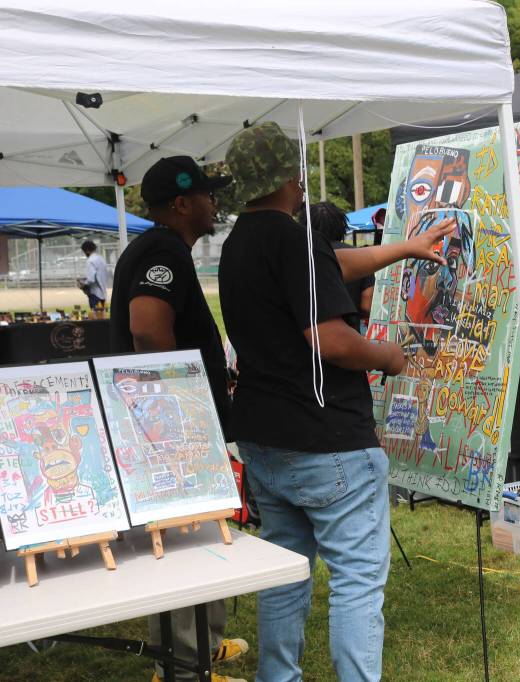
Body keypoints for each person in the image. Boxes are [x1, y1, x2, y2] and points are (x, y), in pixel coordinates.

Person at [219, 122, 452, 682]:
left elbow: (330, 268)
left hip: (266, 440)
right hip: (327, 441)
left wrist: (404, 248)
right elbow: (330, 340)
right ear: (291, 177)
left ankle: (277, 677)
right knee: (355, 581)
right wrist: (388, 356)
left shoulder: (242, 242)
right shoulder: (290, 238)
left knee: (286, 571)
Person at [108, 156, 248, 682]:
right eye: (209, 195)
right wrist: (178, 407)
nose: (216, 203)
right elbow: (147, 328)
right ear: (183, 204)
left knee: (201, 532)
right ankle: (185, 665)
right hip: (169, 428)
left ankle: (200, 647)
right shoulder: (162, 249)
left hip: (172, 423)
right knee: (187, 537)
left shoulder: (163, 249)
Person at [309, 201, 373, 323]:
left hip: (311, 336)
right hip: (351, 334)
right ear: (342, 224)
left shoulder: (302, 257)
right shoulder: (361, 256)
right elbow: (367, 306)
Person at [78, 239, 109, 318]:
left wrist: (82, 283)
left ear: (86, 250)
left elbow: (91, 279)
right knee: (102, 317)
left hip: (95, 294)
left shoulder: (90, 261)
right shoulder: (101, 259)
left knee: (96, 318)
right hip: (103, 293)